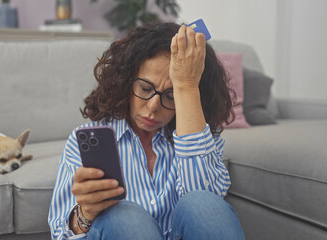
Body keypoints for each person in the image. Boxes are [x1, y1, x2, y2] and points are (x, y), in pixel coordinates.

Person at [48, 22, 245, 240]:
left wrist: (187, 86)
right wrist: (85, 215)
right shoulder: (86, 140)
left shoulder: (201, 134)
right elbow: (60, 235)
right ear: (125, 82)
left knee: (203, 204)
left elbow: (207, 210)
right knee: (125, 216)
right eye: (145, 88)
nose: (153, 107)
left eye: (171, 95)